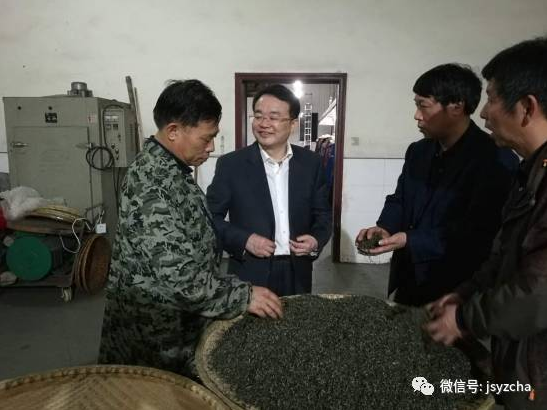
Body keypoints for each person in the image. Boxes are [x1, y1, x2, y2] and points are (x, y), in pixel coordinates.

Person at [99, 80, 283, 378]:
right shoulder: (152, 183)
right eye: (206, 139)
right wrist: (243, 296)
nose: (211, 148)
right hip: (155, 332)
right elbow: (180, 279)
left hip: (177, 322)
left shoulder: (172, 170)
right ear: (174, 131)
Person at [426, 37, 547, 409]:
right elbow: (505, 255)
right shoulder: (530, 174)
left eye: (492, 99)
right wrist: (466, 292)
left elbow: (539, 291)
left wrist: (464, 319)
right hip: (521, 361)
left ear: (526, 108)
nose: (483, 113)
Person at [355, 64, 518, 306]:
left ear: (456, 107)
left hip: (457, 287)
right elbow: (400, 199)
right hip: (409, 277)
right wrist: (385, 228)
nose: (416, 115)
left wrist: (411, 240)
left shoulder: (495, 159)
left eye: (423, 105)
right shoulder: (418, 151)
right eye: (416, 105)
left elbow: (479, 231)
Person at [206, 84, 332, 296]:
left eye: (273, 117)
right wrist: (244, 240)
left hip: (298, 270)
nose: (264, 124)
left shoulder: (311, 163)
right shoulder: (231, 165)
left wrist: (316, 240)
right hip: (250, 271)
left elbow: (323, 214)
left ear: (293, 124)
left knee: (297, 317)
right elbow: (210, 217)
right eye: (258, 116)